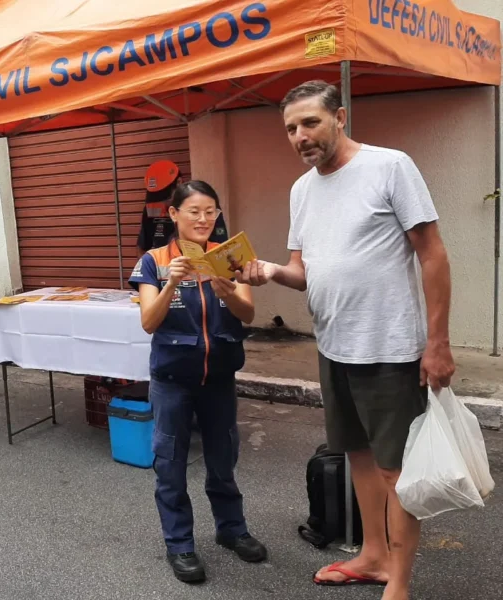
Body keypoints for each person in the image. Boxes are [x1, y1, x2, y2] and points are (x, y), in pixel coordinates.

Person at [236, 81, 455, 600]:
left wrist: (438, 342)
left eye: (310, 122)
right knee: (356, 454)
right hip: (334, 344)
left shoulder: (389, 167)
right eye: (290, 128)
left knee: (396, 468)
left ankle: (398, 583)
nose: (300, 136)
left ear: (339, 116)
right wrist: (268, 270)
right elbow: (302, 270)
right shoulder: (302, 189)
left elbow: (433, 255)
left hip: (391, 347)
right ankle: (374, 555)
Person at [130, 180, 267, 584]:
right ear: (173, 215)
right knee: (170, 465)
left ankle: (231, 530)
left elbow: (248, 314)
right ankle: (180, 544)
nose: (204, 219)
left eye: (211, 211)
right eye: (194, 211)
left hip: (219, 379)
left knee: (223, 460)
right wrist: (172, 281)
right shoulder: (153, 261)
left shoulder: (231, 257)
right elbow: (148, 322)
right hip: (173, 381)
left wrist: (228, 289)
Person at [137, 160, 229, 255]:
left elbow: (221, 247)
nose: (162, 202)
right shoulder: (152, 207)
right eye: (156, 197)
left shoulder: (204, 206)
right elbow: (143, 246)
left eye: (165, 197)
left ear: (179, 182)